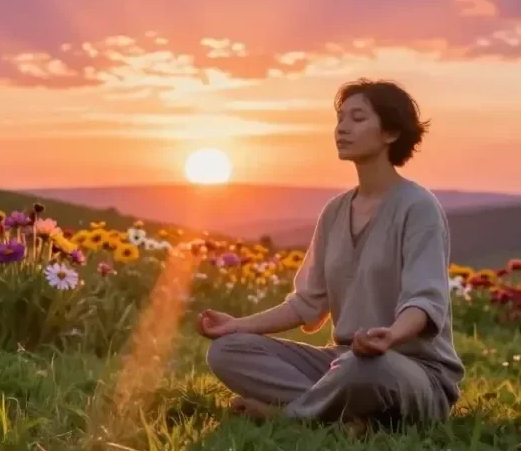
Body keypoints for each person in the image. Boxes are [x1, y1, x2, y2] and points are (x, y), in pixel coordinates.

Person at [197, 79, 463, 430]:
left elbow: (425, 301)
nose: (342, 129)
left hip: (408, 369)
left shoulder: (418, 207)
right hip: (344, 363)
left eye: (357, 118)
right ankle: (350, 419)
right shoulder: (335, 211)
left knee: (362, 369)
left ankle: (287, 416)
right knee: (226, 351)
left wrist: (391, 336)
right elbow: (306, 304)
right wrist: (236, 326)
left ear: (391, 132)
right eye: (340, 119)